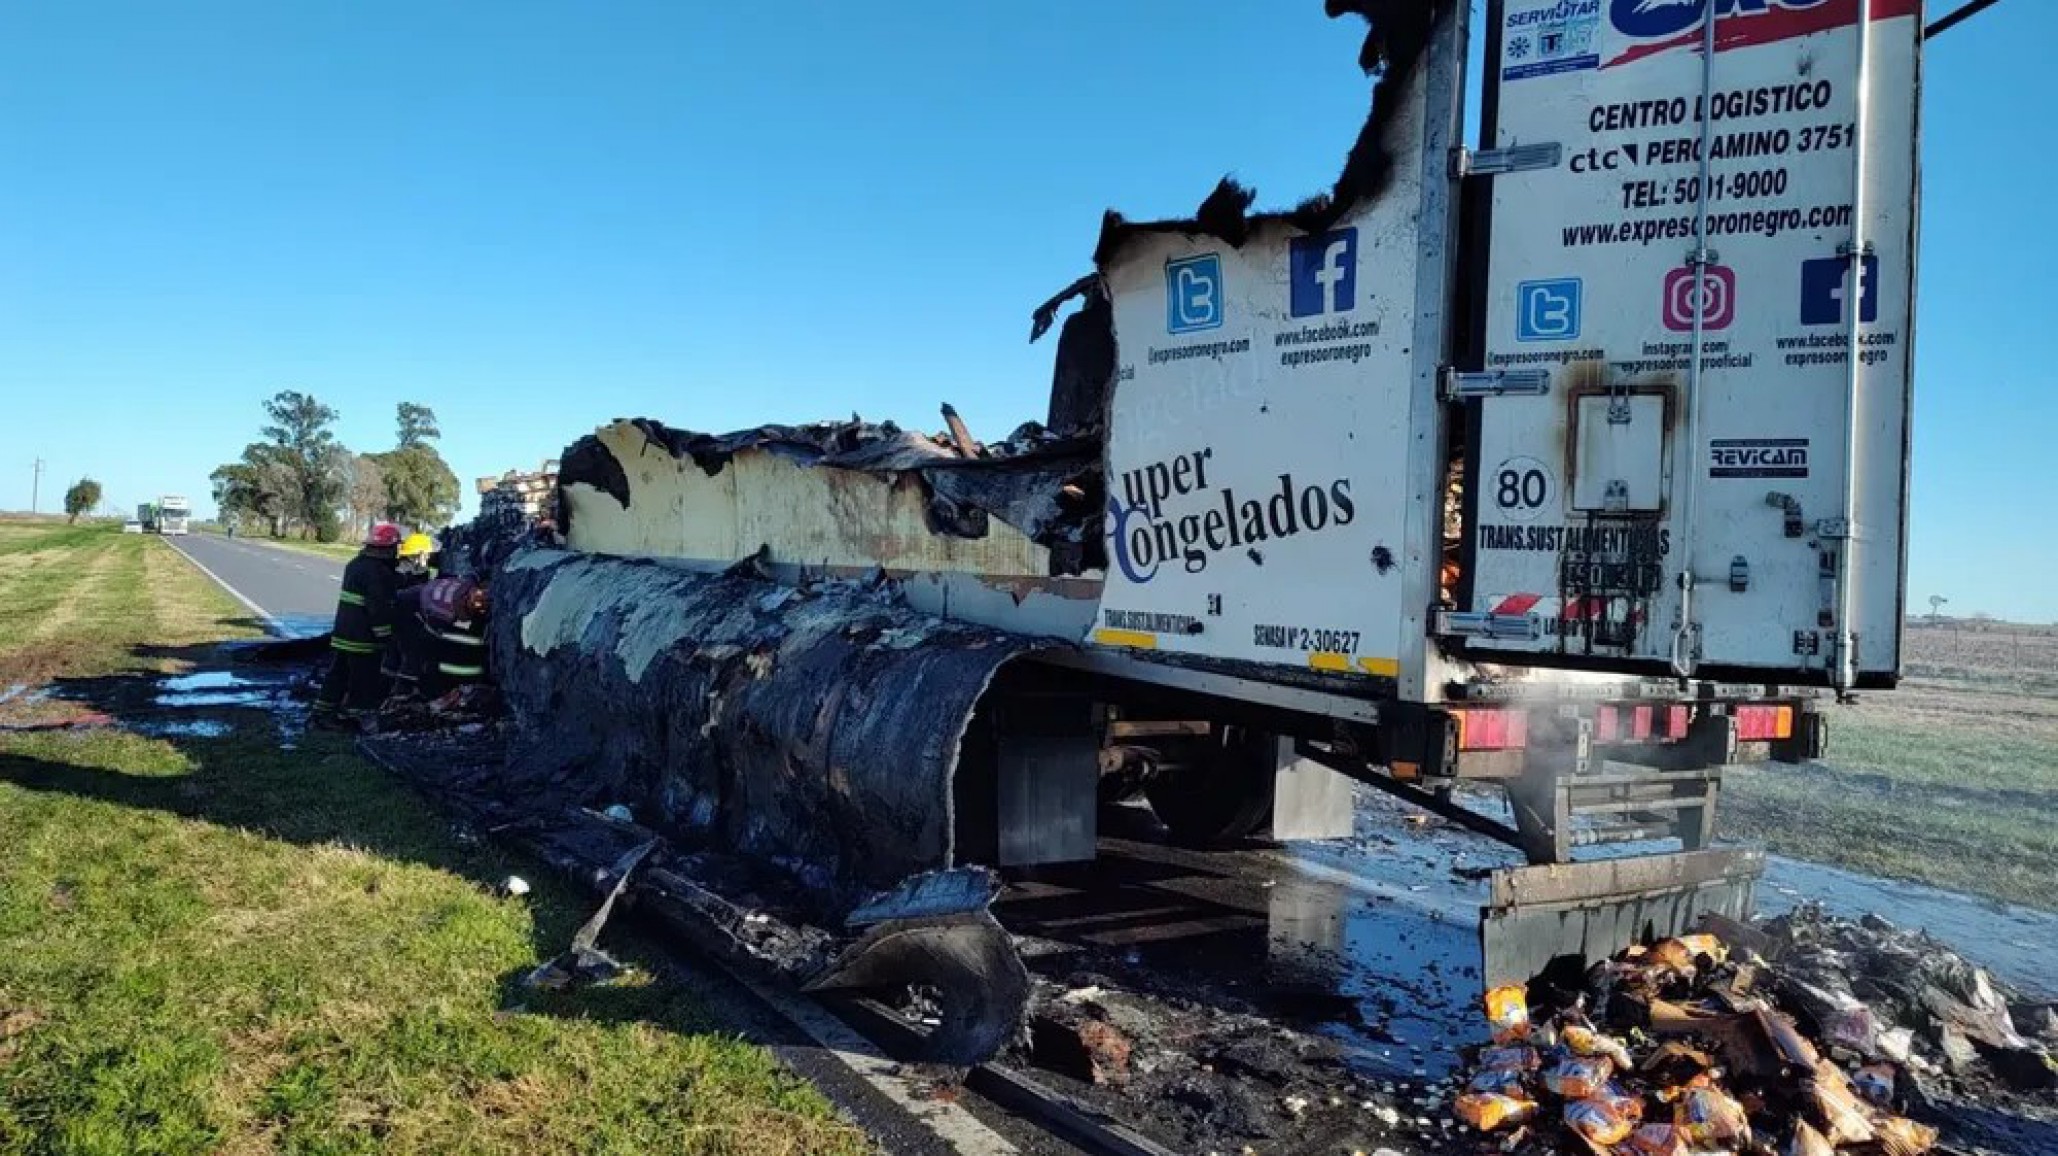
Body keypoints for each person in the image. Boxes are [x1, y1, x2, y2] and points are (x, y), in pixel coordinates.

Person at [312, 522, 403, 730]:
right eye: (395, 548)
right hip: (363, 639)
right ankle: (356, 717)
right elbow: (378, 608)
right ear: (388, 549)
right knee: (363, 681)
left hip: (343, 634)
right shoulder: (378, 573)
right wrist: (386, 637)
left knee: (337, 674)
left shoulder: (355, 564)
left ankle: (322, 713)